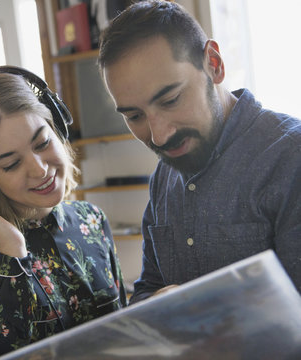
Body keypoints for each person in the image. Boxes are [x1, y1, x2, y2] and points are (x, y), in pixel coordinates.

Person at [98, 0, 301, 304]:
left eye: (170, 100)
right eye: (134, 116)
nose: (159, 135)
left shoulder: (291, 157)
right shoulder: (164, 177)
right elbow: (147, 289)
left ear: (214, 64)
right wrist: (155, 305)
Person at [0, 66, 127, 359]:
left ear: (57, 130)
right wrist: (11, 253)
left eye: (42, 143)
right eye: (11, 164)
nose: (40, 169)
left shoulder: (90, 220)